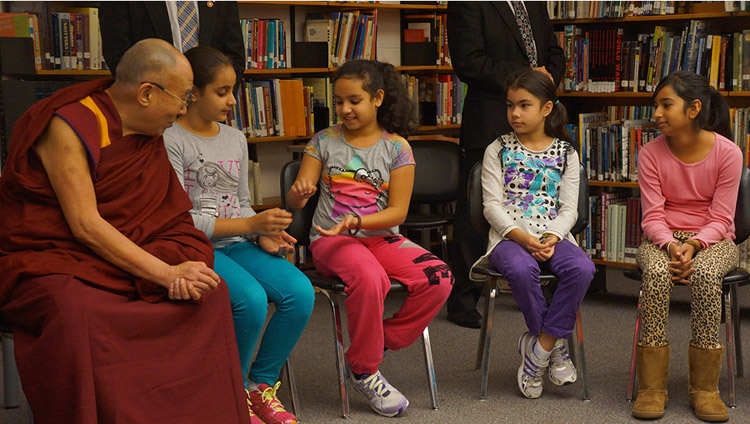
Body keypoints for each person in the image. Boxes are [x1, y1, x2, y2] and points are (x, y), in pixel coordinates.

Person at [0, 39, 251, 423]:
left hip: (124, 249)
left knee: (208, 291)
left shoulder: (147, 133)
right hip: (61, 254)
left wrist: (178, 263)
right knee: (73, 310)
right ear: (147, 93)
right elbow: (84, 225)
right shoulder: (70, 125)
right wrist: (165, 273)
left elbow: (165, 217)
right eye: (183, 98)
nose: (185, 109)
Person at [285, 59, 453, 418]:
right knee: (369, 277)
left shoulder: (398, 148)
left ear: (378, 98)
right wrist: (299, 193)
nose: (345, 109)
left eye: (354, 100)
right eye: (339, 101)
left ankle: (369, 347)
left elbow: (398, 214)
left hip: (380, 237)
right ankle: (364, 370)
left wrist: (358, 220)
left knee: (440, 277)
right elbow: (295, 199)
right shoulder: (323, 141)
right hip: (332, 240)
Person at [163, 46, 314, 424]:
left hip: (238, 243)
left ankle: (258, 387)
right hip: (194, 247)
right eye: (222, 91)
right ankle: (228, 392)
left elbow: (243, 203)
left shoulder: (234, 137)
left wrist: (262, 233)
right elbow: (178, 220)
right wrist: (251, 226)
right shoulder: (170, 139)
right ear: (192, 91)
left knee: (300, 292)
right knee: (250, 299)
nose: (233, 100)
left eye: (235, 90)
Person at [470, 68, 595, 399]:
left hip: (553, 236)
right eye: (510, 105)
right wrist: (523, 238)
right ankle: (553, 349)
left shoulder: (566, 154)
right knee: (522, 270)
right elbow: (491, 207)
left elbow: (569, 209)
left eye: (524, 105)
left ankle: (538, 348)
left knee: (583, 269)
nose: (514, 113)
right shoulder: (497, 149)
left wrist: (553, 236)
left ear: (547, 108)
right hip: (510, 238)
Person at [446, 1, 565, 328]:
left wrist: (547, 79)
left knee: (543, 200)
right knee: (476, 208)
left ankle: (548, 286)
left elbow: (553, 52)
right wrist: (526, 80)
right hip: (491, 119)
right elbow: (469, 62)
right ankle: (463, 298)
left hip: (539, 121)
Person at [632, 71, 742, 422]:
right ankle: (651, 388)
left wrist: (694, 244)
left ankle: (706, 389)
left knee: (708, 275)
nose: (658, 114)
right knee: (656, 274)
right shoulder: (649, 153)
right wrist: (670, 245)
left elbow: (723, 217)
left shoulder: (728, 152)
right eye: (656, 105)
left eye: (667, 105)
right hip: (662, 238)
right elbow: (651, 216)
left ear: (693, 108)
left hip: (713, 239)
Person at [100, 1, 245, 86]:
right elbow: (118, 55)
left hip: (206, 119)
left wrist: (217, 97)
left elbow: (234, 55)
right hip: (149, 115)